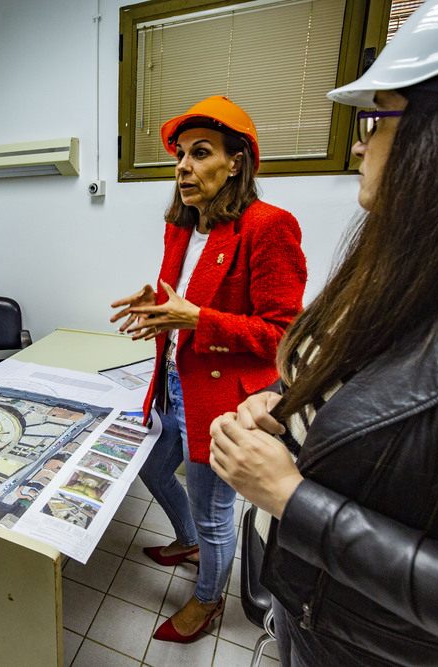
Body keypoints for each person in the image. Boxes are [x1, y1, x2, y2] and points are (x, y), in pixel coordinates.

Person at [208, 0, 438, 664]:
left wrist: (289, 496)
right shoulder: (405, 267)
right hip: (315, 616)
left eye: (377, 117)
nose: (360, 142)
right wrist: (286, 402)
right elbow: (366, 394)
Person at [110, 95, 306, 643]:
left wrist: (195, 318)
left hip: (224, 399)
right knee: (150, 469)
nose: (183, 167)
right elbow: (187, 299)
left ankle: (208, 600)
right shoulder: (183, 225)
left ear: (236, 162)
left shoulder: (269, 227)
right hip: (175, 383)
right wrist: (163, 307)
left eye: (201, 154)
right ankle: (190, 540)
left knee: (217, 513)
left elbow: (281, 334)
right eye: (180, 156)